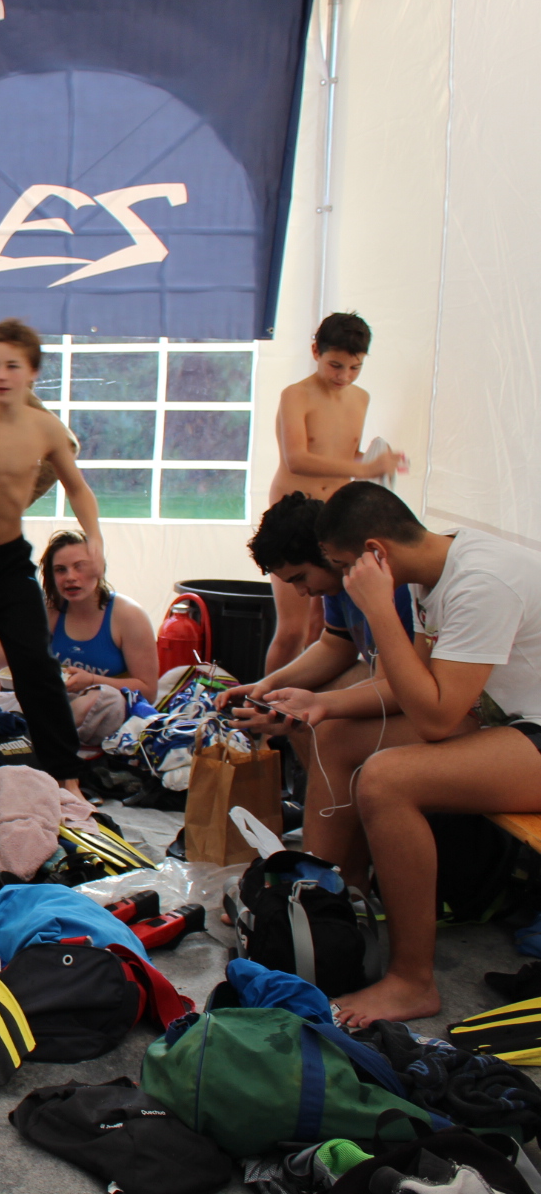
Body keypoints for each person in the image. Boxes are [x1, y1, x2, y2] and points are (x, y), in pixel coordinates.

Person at [268, 484, 541, 1025]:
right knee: (336, 736)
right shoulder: (430, 573)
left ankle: (412, 981)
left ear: (375, 553)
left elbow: (436, 718)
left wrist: (378, 610)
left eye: (344, 567)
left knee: (387, 778)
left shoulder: (482, 582)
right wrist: (323, 704)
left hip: (524, 728)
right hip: (510, 721)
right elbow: (408, 685)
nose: (343, 581)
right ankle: (331, 907)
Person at [0, 320, 102, 796]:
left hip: (9, 565)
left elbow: (77, 487)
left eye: (11, 365)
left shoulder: (45, 427)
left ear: (31, 372)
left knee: (36, 667)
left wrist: (95, 538)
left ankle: (67, 779)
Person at [227, 491, 419, 874]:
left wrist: (320, 706)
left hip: (425, 701)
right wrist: (267, 686)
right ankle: (344, 860)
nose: (302, 592)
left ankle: (323, 872)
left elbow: (400, 686)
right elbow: (335, 645)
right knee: (304, 711)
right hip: (401, 689)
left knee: (323, 727)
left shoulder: (385, 584)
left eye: (301, 578)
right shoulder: (337, 582)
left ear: (328, 554)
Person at [266, 313, 402, 674]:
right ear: (316, 352)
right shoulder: (296, 395)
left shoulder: (360, 397)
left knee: (324, 627)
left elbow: (344, 454)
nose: (345, 376)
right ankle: (259, 707)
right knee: (292, 630)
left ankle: (304, 702)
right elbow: (297, 459)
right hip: (294, 514)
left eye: (355, 368)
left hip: (334, 519)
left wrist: (376, 460)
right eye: (335, 365)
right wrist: (364, 469)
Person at [41, 530, 158, 699]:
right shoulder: (50, 611)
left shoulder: (129, 615)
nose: (70, 577)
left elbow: (149, 692)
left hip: (110, 706)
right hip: (58, 702)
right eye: (60, 570)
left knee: (97, 700)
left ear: (99, 569)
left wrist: (92, 681)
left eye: (79, 566)